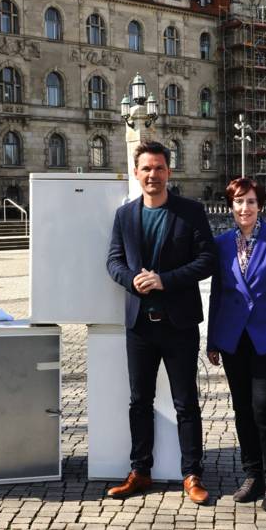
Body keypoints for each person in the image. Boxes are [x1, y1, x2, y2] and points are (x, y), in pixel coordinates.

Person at [106, 141, 217, 503]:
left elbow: (207, 260)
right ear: (136, 174)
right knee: (139, 401)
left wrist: (164, 279)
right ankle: (140, 471)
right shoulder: (125, 215)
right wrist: (131, 280)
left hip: (179, 323)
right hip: (139, 324)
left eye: (158, 168)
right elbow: (113, 260)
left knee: (186, 402)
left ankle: (192, 474)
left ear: (169, 171)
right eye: (146, 169)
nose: (152, 175)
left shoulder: (190, 211)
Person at [206, 177, 266, 513]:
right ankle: (253, 475)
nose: (244, 208)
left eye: (249, 201)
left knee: (264, 406)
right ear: (231, 205)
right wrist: (212, 339)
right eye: (238, 202)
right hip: (233, 338)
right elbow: (218, 293)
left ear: (259, 204)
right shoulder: (221, 244)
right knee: (242, 409)